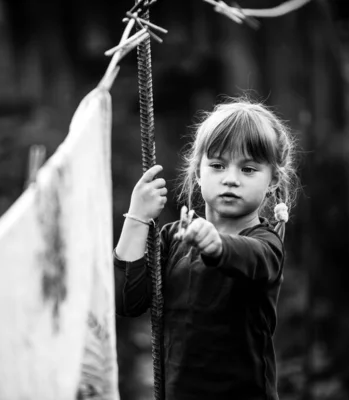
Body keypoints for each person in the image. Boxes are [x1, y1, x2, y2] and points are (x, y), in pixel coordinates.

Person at [114, 97, 299, 400]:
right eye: (217, 165)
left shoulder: (267, 244)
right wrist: (137, 217)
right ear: (198, 172)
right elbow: (126, 300)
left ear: (272, 180)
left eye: (248, 169)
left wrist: (215, 244)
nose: (230, 179)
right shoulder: (173, 239)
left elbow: (248, 256)